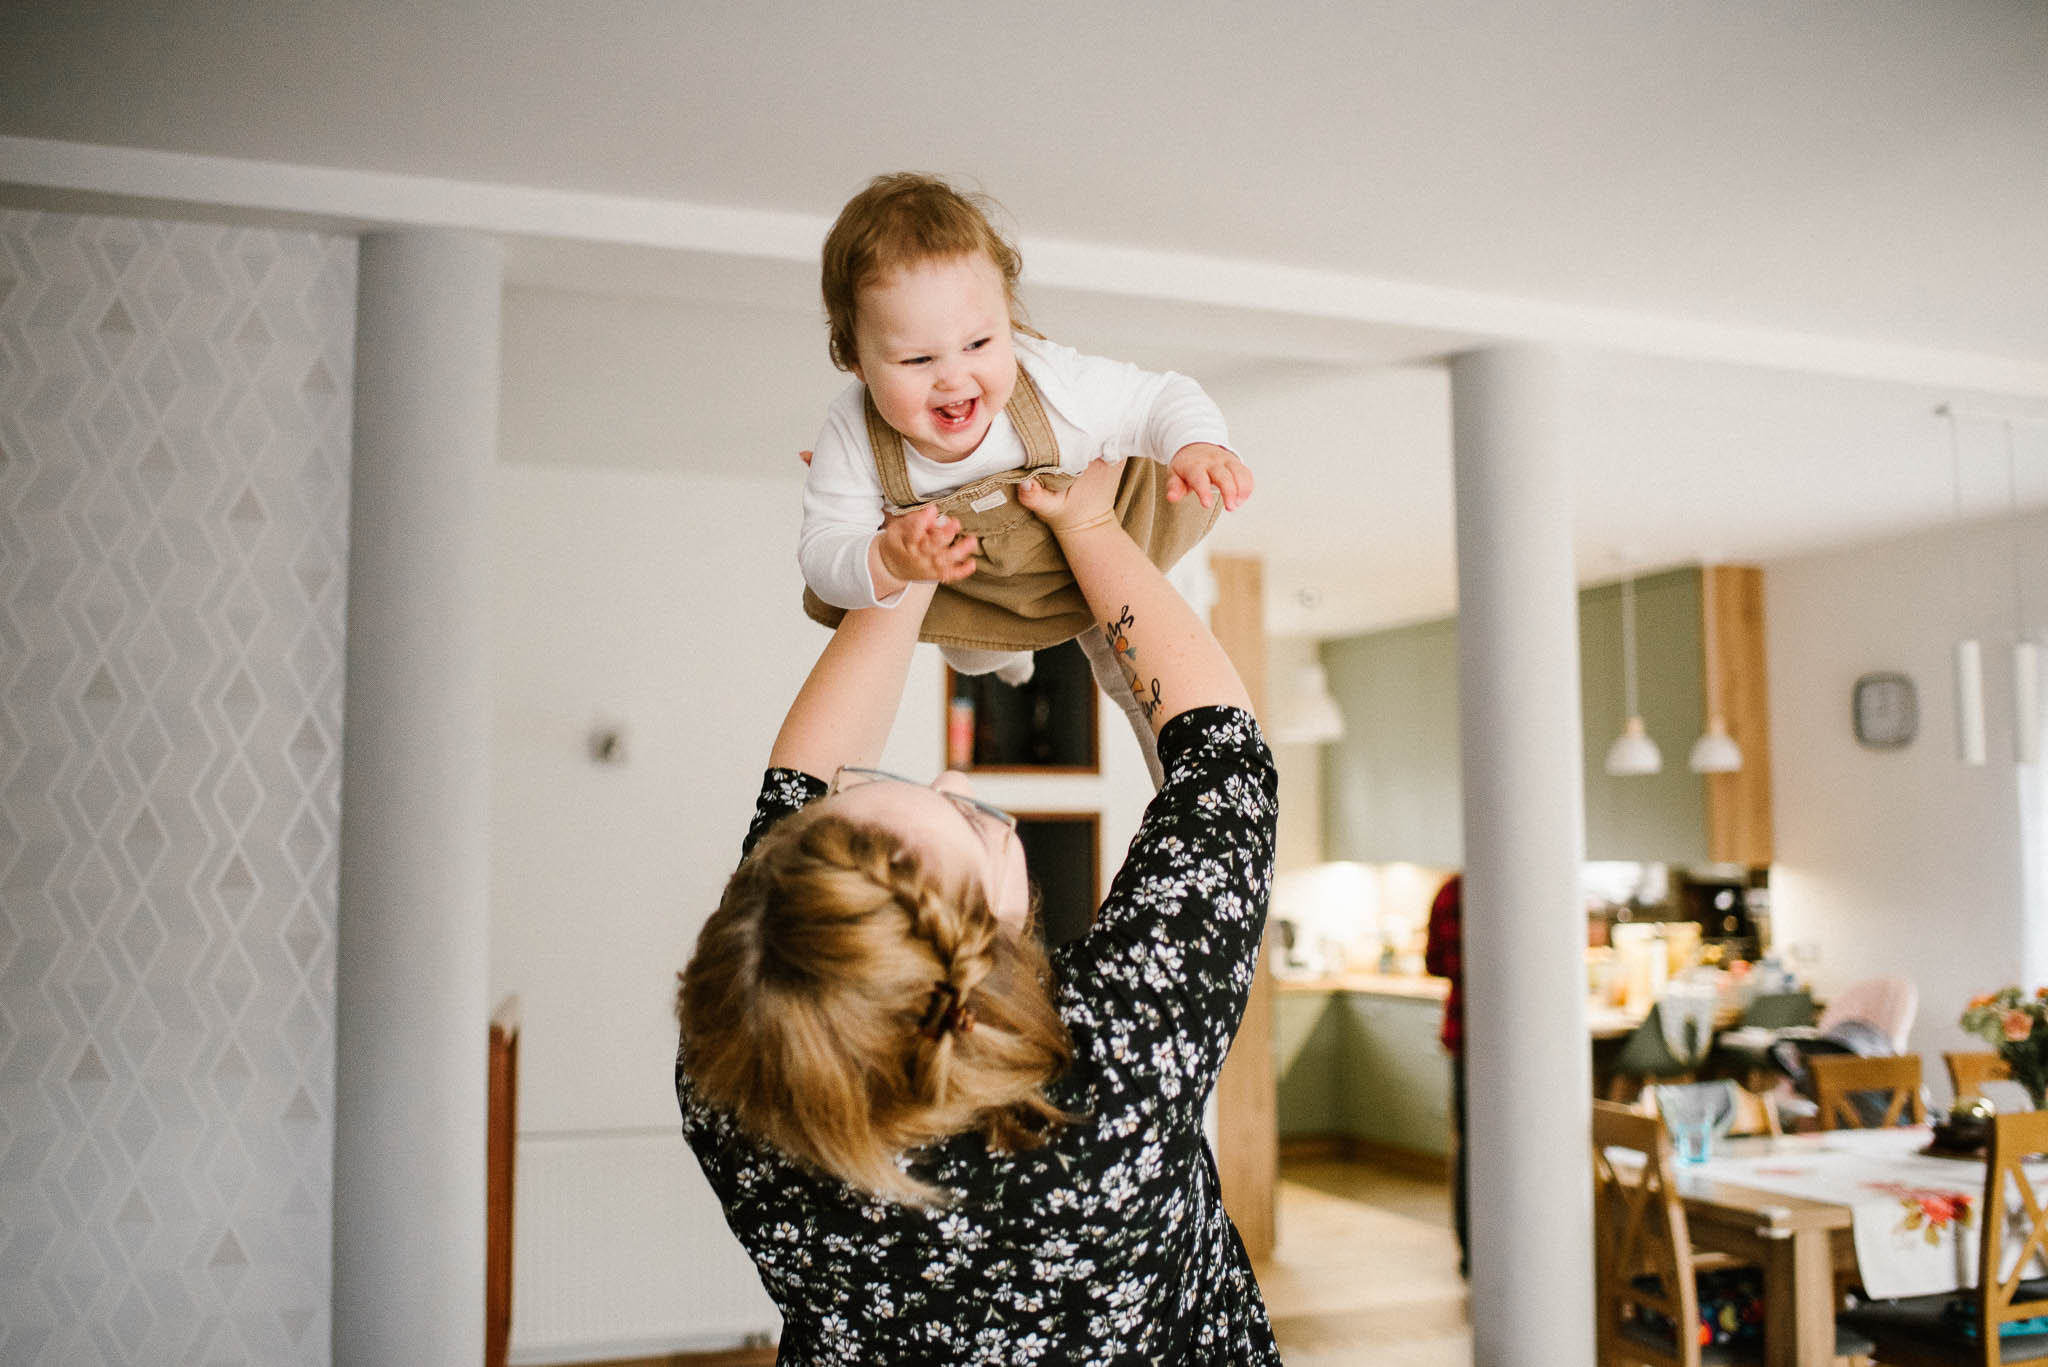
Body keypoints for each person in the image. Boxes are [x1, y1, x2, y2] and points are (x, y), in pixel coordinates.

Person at [678, 457, 1282, 1364]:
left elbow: (798, 789)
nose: (955, 776)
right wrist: (1089, 528)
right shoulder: (1112, 1074)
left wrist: (909, 561)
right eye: (967, 816)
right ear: (982, 957)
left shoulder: (741, 1065)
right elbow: (1223, 765)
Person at [797, 172, 1253, 785]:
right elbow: (823, 552)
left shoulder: (1050, 381)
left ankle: (1185, 790)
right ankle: (1013, 656)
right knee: (972, 650)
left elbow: (1159, 398)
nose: (954, 377)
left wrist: (1196, 444)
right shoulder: (850, 434)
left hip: (1088, 564)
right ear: (855, 358)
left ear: (1007, 321)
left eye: (980, 342)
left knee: (1133, 674)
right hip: (980, 585)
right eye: (918, 360)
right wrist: (885, 557)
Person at [1423, 871, 1468, 1279]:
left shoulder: (1450, 892)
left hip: (1464, 1033)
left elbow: (1434, 962)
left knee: (1468, 1144)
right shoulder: (1520, 885)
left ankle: (1470, 1249)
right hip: (1513, 1043)